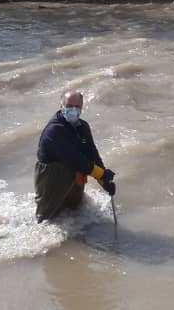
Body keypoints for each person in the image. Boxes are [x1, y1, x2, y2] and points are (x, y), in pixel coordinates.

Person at [35, 90, 116, 223]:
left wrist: (105, 181)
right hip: (52, 174)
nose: (73, 109)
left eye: (77, 106)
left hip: (76, 171)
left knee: (75, 210)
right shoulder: (54, 130)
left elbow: (92, 154)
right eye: (69, 106)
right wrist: (101, 174)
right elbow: (75, 159)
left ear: (81, 108)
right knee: (47, 219)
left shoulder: (83, 127)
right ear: (61, 106)